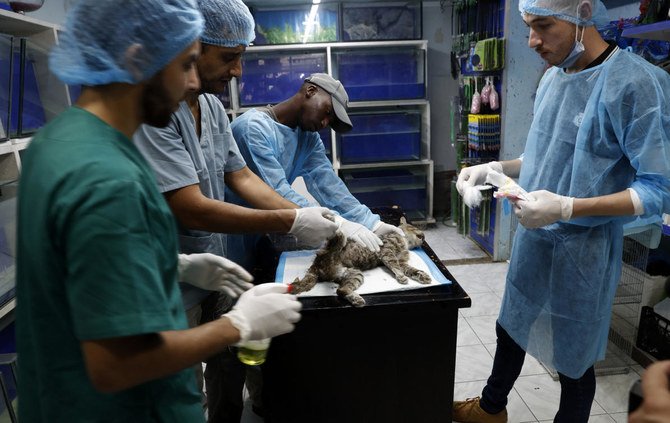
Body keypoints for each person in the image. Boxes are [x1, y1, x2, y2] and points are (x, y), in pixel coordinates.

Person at [16, 1, 302, 422]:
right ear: (138, 60)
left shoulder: (58, 142)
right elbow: (116, 364)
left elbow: (77, 268)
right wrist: (239, 325)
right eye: (186, 64)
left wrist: (172, 264)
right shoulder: (109, 177)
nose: (191, 82)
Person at [452, 0, 670, 421]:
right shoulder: (553, 78)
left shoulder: (636, 84)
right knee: (510, 323)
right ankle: (491, 409)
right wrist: (495, 168)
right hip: (535, 235)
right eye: (527, 26)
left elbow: (658, 189)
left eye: (543, 26)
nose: (532, 40)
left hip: (583, 248)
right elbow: (544, 156)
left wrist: (569, 208)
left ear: (582, 14)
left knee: (574, 359)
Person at [132, 1, 339, 422]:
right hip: (174, 276)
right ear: (191, 48)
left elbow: (240, 177)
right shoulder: (156, 113)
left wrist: (315, 220)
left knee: (230, 366)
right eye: (229, 57)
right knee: (183, 392)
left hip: (217, 264)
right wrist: (292, 220)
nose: (238, 72)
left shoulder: (210, 107)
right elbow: (191, 208)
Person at [228, 72, 404, 272]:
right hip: (228, 231)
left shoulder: (307, 138)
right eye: (328, 112)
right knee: (227, 289)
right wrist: (337, 223)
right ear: (310, 91)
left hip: (258, 231)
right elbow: (276, 191)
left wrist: (371, 223)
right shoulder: (252, 128)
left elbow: (328, 185)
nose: (324, 123)